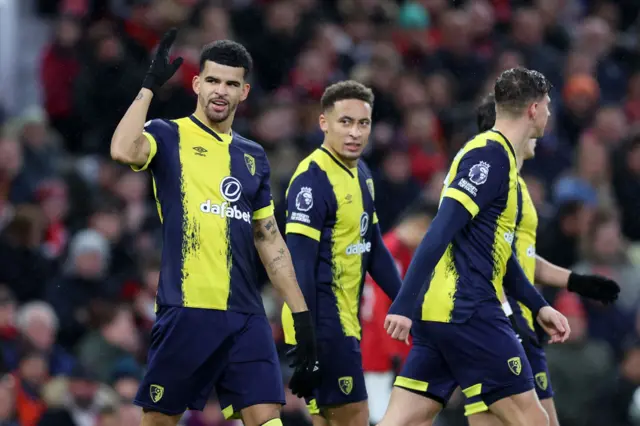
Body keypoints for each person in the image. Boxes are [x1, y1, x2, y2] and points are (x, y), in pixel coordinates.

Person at [109, 29, 318, 426]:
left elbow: (270, 241)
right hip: (187, 309)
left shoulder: (253, 155)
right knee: (159, 420)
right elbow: (121, 149)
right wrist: (148, 88)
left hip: (245, 314)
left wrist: (301, 315)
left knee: (268, 418)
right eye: (213, 80)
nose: (220, 91)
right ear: (197, 83)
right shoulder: (167, 135)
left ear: (244, 92)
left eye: (231, 83)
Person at [379, 68, 570, 426]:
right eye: (546, 105)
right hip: (470, 311)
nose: (548, 113)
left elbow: (497, 254)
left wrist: (537, 305)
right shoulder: (490, 158)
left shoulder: (497, 160)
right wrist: (402, 305)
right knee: (535, 421)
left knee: (401, 421)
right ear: (532, 109)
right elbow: (439, 230)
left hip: (439, 314)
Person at [468, 94, 619, 426]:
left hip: (516, 317)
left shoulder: (515, 185)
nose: (538, 125)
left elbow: (519, 259)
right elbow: (488, 259)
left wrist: (575, 282)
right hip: (498, 319)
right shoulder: (488, 184)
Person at [280, 80, 404, 426]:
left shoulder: (362, 173)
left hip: (344, 321)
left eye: (362, 123)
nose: (354, 133)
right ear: (324, 123)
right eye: (345, 122)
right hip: (322, 323)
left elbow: (374, 247)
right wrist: (308, 337)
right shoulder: (312, 179)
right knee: (355, 418)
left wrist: (407, 302)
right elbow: (299, 265)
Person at [359, 198, 437, 424]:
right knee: (384, 417)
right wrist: (395, 353)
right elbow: (384, 308)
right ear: (420, 225)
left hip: (386, 348)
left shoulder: (400, 250)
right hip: (381, 352)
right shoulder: (390, 252)